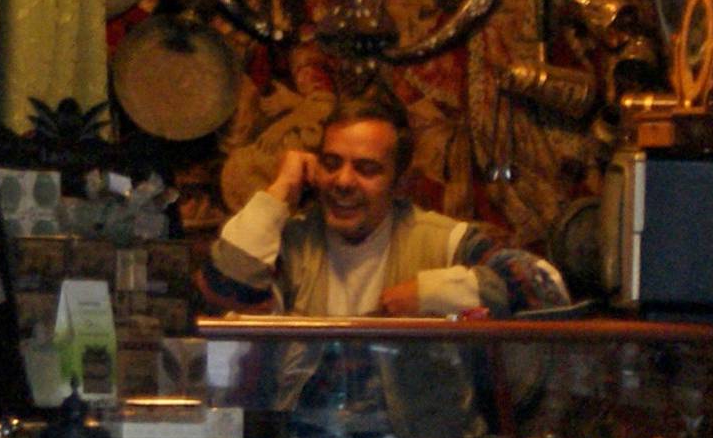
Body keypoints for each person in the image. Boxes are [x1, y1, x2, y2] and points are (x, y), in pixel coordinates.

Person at [202, 88, 509, 320]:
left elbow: (541, 288)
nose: (343, 181)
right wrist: (280, 191)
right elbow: (225, 288)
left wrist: (434, 294)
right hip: (309, 407)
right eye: (331, 163)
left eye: (366, 169)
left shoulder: (445, 242)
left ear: (401, 183)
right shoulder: (292, 244)